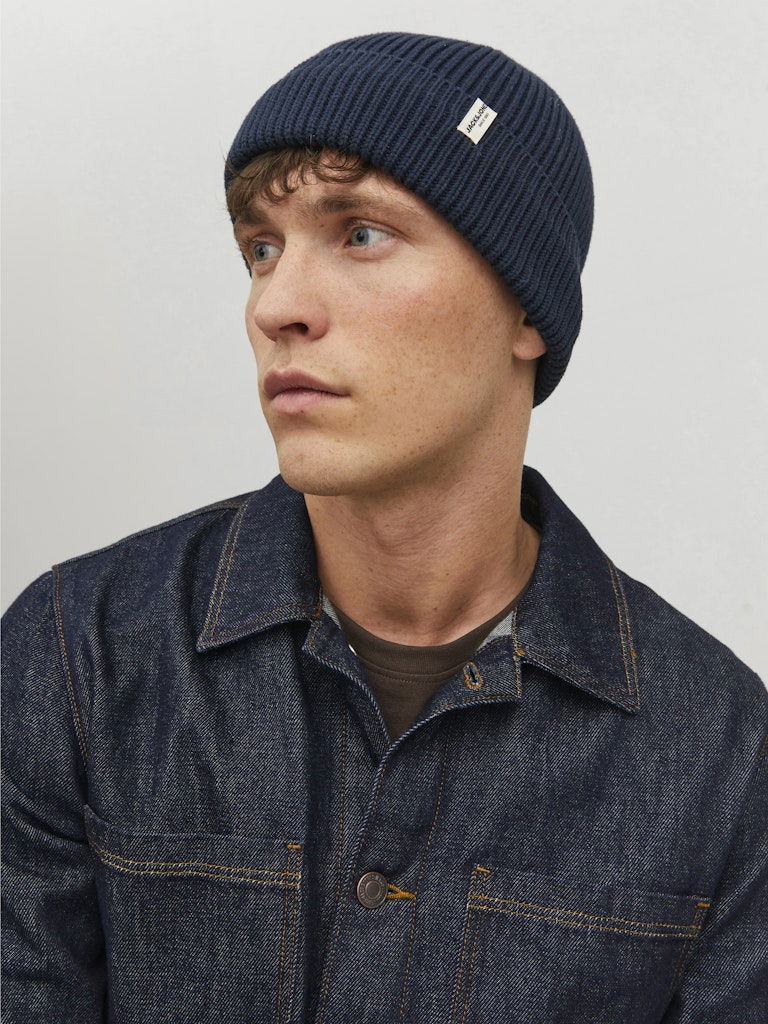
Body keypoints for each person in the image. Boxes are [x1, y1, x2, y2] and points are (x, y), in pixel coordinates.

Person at [2, 30, 765, 1024]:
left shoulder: (722, 755)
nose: (277, 304)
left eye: (361, 234)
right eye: (261, 250)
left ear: (526, 312)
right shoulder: (79, 655)